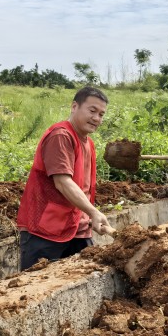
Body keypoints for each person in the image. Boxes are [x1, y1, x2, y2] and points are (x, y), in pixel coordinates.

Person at [16, 87, 116, 271]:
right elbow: (62, 182)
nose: (97, 118)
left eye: (101, 114)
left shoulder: (88, 142)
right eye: (92, 111)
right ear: (74, 106)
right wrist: (94, 212)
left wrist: (89, 216)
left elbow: (83, 188)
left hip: (77, 229)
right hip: (46, 231)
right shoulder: (61, 136)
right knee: (36, 290)